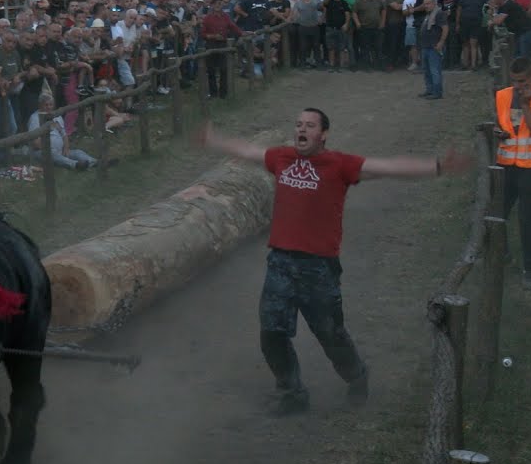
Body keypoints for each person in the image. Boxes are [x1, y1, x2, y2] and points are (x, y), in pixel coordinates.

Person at [198, 109, 469, 415]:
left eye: (310, 126)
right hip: (281, 261)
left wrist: (437, 166)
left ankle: (356, 376)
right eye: (298, 124)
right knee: (272, 332)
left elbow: (389, 167)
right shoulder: (281, 158)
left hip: (319, 268)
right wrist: (213, 140)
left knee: (329, 333)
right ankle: (291, 393)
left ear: (323, 134)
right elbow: (247, 151)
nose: (302, 129)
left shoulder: (339, 164)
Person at [494, 57, 531, 288]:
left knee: (529, 220)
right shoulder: (502, 96)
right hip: (506, 165)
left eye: (522, 81)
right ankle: (503, 253)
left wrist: (527, 105)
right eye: (514, 81)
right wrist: (499, 133)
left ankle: (530, 268)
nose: (518, 86)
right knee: (498, 214)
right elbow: (501, 124)